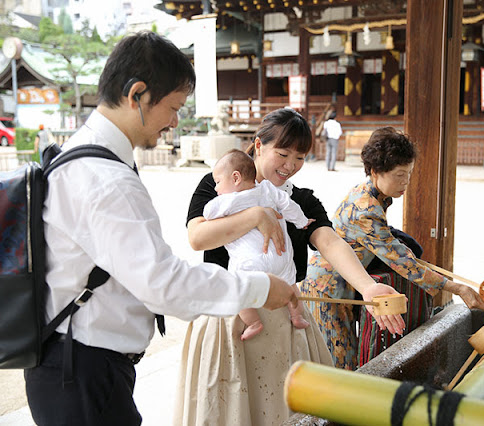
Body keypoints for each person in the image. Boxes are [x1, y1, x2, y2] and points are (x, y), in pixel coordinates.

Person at [24, 32, 298, 426]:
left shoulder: (89, 157)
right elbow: (165, 284)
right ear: (137, 95)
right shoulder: (105, 179)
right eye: (173, 107)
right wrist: (260, 288)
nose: (174, 121)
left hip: (78, 362)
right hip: (82, 369)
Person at [174, 108, 405, 426]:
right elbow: (197, 238)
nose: (290, 165)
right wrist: (256, 216)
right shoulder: (223, 181)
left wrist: (367, 286)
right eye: (282, 154)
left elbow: (330, 242)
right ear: (258, 146)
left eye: (299, 157)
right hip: (230, 318)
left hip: (285, 318)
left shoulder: (301, 201)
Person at [301, 127, 484, 370]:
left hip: (349, 283)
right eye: (399, 175)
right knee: (339, 365)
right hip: (327, 290)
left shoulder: (375, 193)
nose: (406, 182)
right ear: (375, 171)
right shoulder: (365, 209)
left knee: (348, 360)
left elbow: (397, 250)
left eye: (409, 174)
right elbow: (403, 261)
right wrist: (457, 287)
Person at [204, 149, 312, 341]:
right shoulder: (268, 188)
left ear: (236, 178)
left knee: (237, 291)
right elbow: (289, 206)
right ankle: (297, 317)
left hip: (252, 261)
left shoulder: (226, 200)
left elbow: (208, 214)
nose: (216, 188)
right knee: (291, 287)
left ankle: (253, 322)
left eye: (218, 182)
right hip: (282, 256)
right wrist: (302, 221)